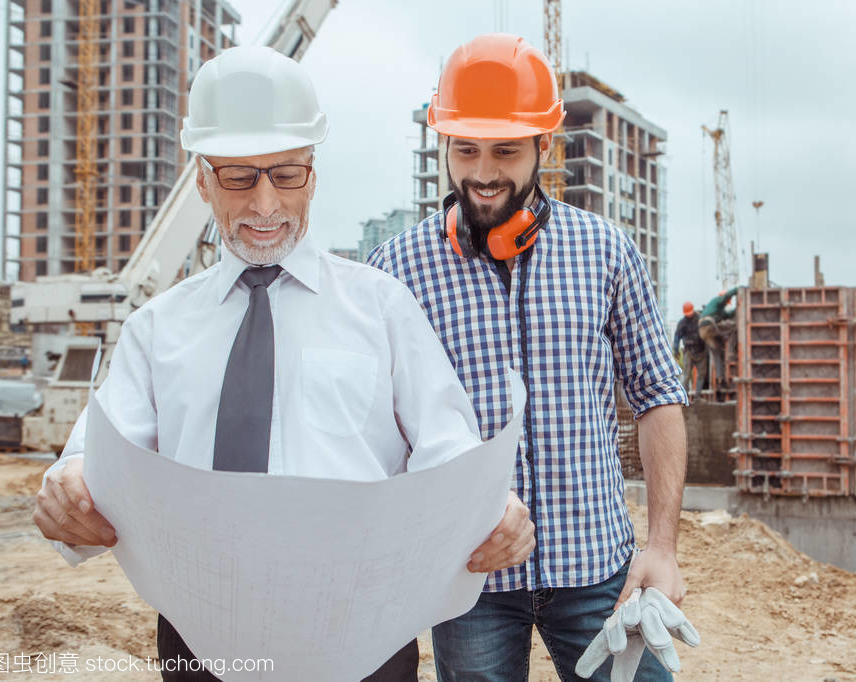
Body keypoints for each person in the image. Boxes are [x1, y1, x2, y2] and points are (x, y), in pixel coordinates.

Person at [31, 46, 534, 682]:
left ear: (313, 173)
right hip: (203, 641)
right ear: (204, 180)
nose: (265, 205)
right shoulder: (155, 330)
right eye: (240, 177)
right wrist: (69, 487)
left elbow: (445, 444)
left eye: (287, 175)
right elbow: (96, 460)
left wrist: (489, 506)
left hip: (363, 634)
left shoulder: (381, 307)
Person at [368, 34, 690, 681]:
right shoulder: (395, 270)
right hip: (470, 581)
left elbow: (657, 395)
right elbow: (376, 430)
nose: (482, 172)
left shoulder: (605, 251)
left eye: (506, 150)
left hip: (600, 570)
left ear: (545, 144)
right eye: (465, 149)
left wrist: (661, 548)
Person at [698, 287, 738, 389]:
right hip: (709, 327)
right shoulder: (717, 301)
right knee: (733, 326)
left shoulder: (718, 310)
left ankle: (720, 380)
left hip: (704, 332)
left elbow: (727, 314)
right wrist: (738, 289)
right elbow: (727, 296)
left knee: (717, 353)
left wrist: (737, 308)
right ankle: (732, 352)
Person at [672, 302, 707, 397]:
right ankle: (685, 396)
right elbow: (677, 336)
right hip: (688, 351)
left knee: (701, 374)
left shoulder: (700, 319)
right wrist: (675, 349)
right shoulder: (682, 323)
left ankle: (698, 396)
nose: (689, 315)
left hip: (701, 351)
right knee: (686, 375)